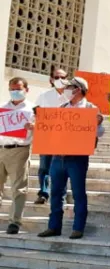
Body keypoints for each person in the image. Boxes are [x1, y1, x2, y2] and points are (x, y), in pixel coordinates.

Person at [37, 76, 104, 239]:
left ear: (78, 89)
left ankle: (78, 227)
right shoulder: (62, 107)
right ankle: (54, 227)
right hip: (57, 157)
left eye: (69, 87)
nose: (66, 89)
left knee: (78, 193)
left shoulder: (91, 108)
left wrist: (97, 124)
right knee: (55, 193)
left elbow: (99, 133)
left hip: (77, 159)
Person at [0, 78, 35, 234]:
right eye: (12, 89)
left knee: (18, 188)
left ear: (26, 90)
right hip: (1, 148)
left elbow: (46, 130)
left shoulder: (33, 109)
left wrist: (35, 127)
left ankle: (15, 221)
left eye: (18, 89)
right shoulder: (2, 108)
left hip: (20, 149)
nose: (15, 92)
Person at [33, 66, 67, 204]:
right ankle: (44, 193)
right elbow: (36, 113)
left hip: (64, 138)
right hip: (46, 137)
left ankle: (61, 195)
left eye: (63, 78)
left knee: (62, 168)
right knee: (44, 167)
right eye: (57, 77)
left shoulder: (71, 97)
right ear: (51, 79)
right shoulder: (43, 96)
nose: (60, 80)